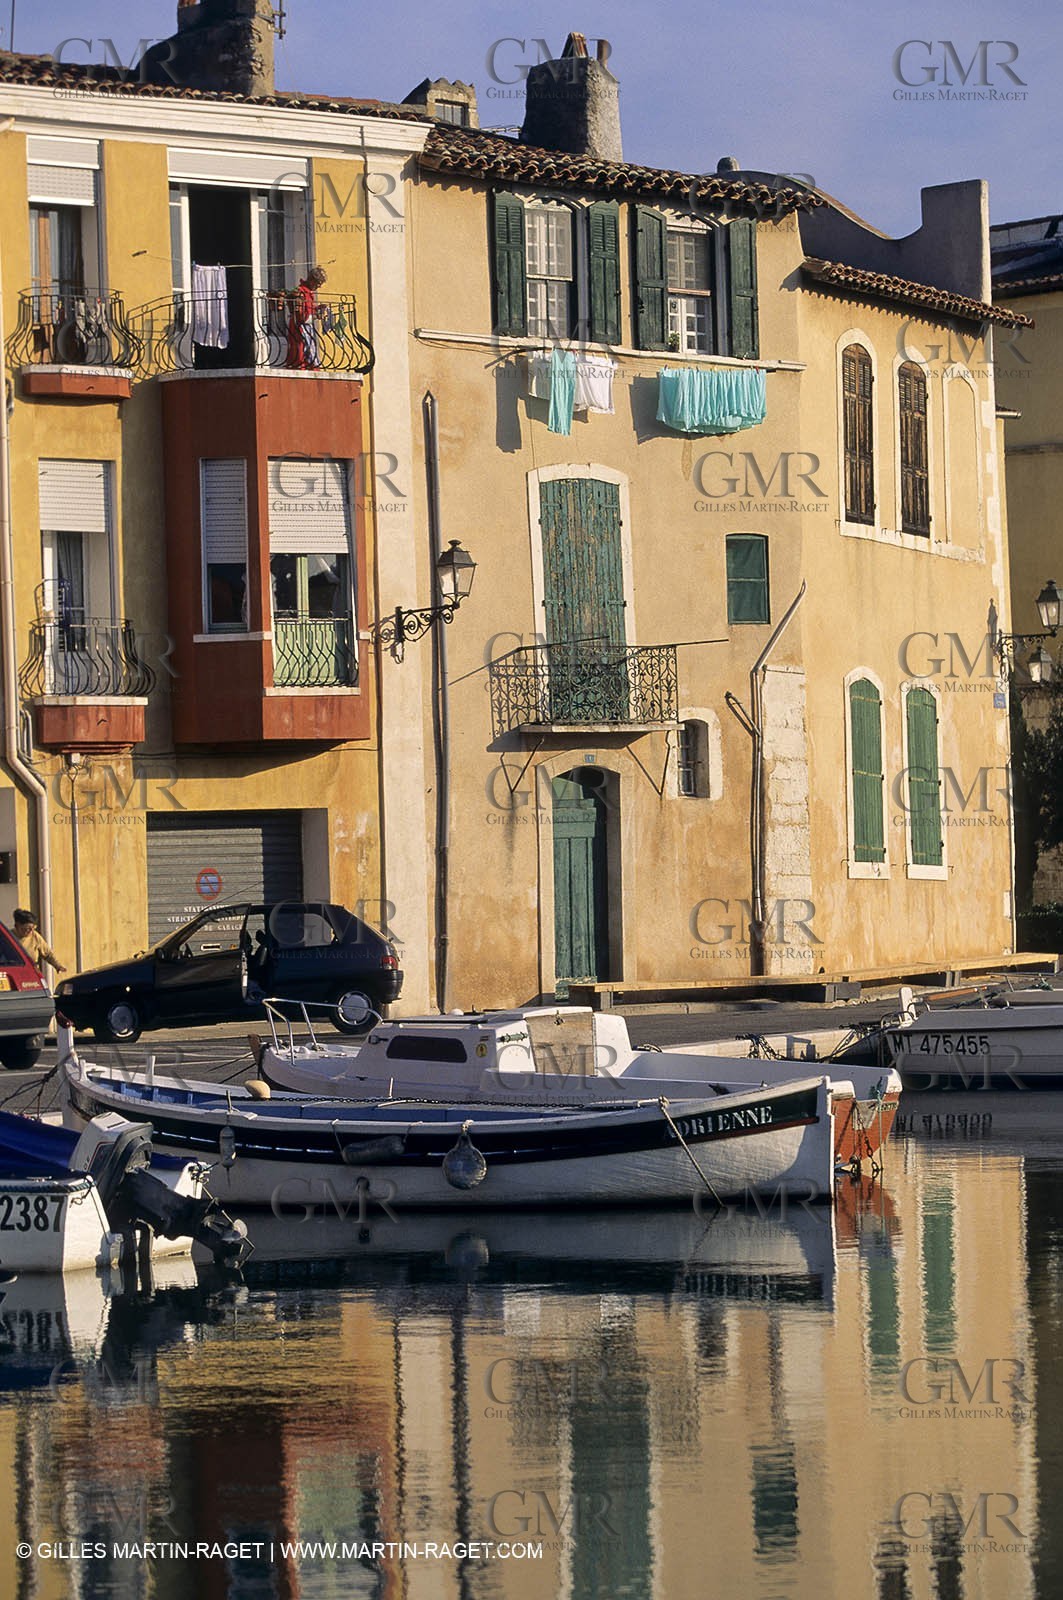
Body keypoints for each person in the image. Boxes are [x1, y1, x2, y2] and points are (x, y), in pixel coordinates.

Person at [286, 265, 327, 369]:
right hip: (299, 326)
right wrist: (314, 315)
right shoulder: (300, 292)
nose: (319, 287)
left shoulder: (307, 292)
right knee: (300, 348)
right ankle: (300, 366)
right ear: (312, 280)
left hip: (305, 326)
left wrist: (317, 309)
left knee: (308, 347)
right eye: (318, 283)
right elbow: (301, 314)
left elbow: (308, 309)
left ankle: (309, 365)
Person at [13, 909, 66, 983]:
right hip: (15, 975)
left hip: (32, 975)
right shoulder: (9, 937)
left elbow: (47, 954)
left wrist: (57, 966)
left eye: (33, 928)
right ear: (18, 925)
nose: (31, 931)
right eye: (28, 928)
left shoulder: (35, 937)